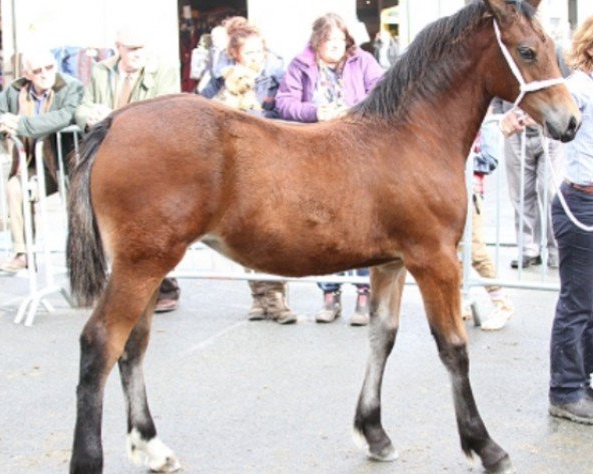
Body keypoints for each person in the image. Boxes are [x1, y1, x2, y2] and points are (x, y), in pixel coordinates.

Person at [275, 12, 383, 326]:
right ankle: (330, 296)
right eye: (328, 41)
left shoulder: (364, 62)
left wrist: (354, 110)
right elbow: (285, 103)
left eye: (340, 41)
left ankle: (364, 298)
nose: (335, 47)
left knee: (362, 227)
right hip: (317, 155)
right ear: (317, 42)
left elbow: (384, 93)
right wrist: (316, 112)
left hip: (359, 153)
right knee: (327, 228)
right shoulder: (300, 64)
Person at [75, 27, 181, 313]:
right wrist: (91, 116)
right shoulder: (101, 71)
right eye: (131, 49)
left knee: (156, 224)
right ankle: (115, 285)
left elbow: (167, 110)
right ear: (118, 47)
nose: (138, 55)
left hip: (150, 158)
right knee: (116, 223)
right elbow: (82, 107)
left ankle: (165, 285)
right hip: (112, 156)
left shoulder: (164, 70)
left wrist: (116, 119)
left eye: (141, 48)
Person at [201, 18, 298, 325]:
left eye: (260, 50)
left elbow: (284, 108)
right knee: (246, 230)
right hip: (238, 163)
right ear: (235, 54)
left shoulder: (278, 72)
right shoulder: (219, 75)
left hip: (272, 159)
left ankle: (279, 298)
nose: (257, 56)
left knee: (275, 229)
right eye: (250, 52)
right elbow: (203, 106)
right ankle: (258, 297)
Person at [0, 48, 83, 272]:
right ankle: (23, 253)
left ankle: (83, 261)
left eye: (49, 68)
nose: (45, 74)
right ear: (27, 73)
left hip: (66, 162)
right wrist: (2, 123)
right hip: (34, 162)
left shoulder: (71, 86)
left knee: (78, 210)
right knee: (15, 188)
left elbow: (66, 116)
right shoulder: (16, 90)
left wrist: (20, 124)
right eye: (37, 70)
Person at [547, 16, 593, 424]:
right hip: (581, 203)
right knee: (578, 302)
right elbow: (557, 126)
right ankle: (565, 391)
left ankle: (583, 382)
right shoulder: (577, 89)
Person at [492, 49, 570, 270]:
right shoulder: (507, 53)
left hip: (548, 131)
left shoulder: (552, 51)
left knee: (549, 191)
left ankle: (555, 249)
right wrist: (500, 113)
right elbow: (497, 87)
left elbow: (565, 85)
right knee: (520, 193)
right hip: (516, 131)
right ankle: (528, 248)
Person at [463, 114, 514, 331]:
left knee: (475, 251)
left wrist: (458, 158)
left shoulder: (486, 125)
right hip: (449, 195)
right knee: (454, 251)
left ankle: (502, 303)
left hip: (470, 194)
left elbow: (490, 161)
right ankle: (459, 301)